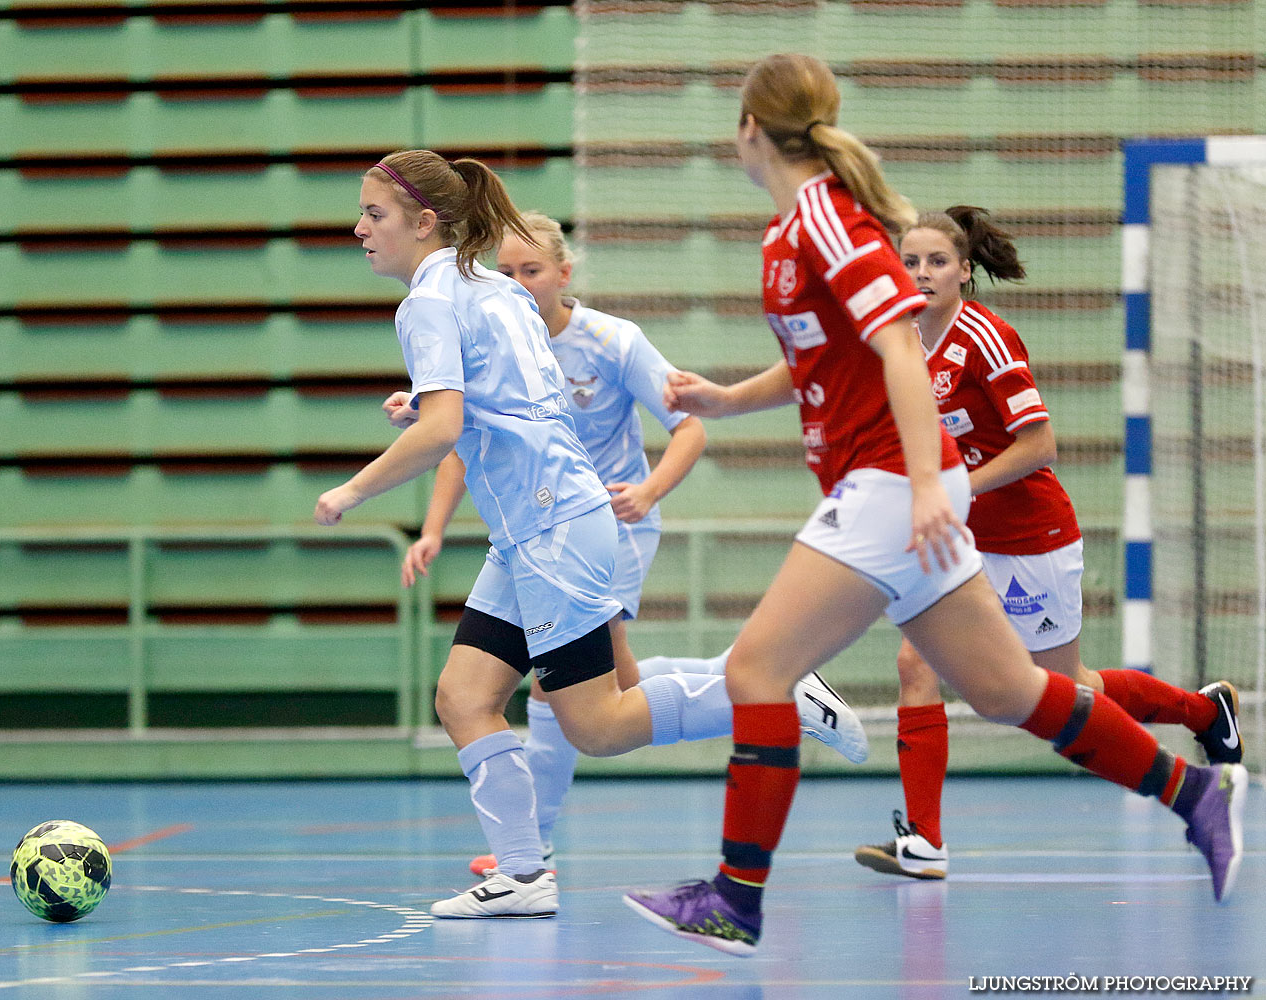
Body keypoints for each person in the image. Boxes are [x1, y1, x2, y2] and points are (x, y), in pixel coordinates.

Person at [620, 53, 1248, 957]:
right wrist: (723, 400)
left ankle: (736, 895)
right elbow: (821, 368)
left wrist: (923, 485)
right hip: (889, 488)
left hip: (884, 489)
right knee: (1011, 692)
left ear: (751, 129)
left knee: (757, 673)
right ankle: (1196, 798)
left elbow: (900, 354)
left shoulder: (830, 224)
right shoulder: (787, 233)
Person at [318, 149, 746, 919]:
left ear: (423, 223)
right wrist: (425, 405)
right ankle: (522, 874)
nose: (359, 229)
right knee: (462, 697)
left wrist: (353, 488)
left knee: (598, 724)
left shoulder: (428, 303)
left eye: (373, 215)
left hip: (552, 527)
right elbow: (499, 398)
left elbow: (449, 423)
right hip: (536, 530)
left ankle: (760, 690)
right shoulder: (491, 286)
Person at [385, 212, 868, 878]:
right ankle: (762, 682)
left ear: (564, 271)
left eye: (533, 270)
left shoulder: (613, 342)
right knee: (606, 691)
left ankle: (532, 851)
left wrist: (650, 492)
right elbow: (462, 440)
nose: (520, 283)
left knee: (570, 699)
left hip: (607, 527)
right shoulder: (501, 335)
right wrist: (434, 526)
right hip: (534, 532)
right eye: (507, 272)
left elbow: (690, 426)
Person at [853, 206, 1245, 880]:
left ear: (963, 271)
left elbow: (1040, 446)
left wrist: (962, 486)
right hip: (960, 541)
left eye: (936, 262)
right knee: (916, 665)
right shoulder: (896, 341)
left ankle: (1204, 711)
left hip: (1032, 537)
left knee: (1063, 691)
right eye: (909, 262)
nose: (921, 274)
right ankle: (925, 840)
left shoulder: (986, 337)